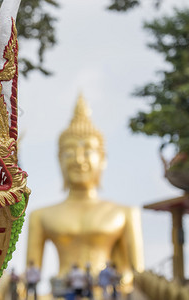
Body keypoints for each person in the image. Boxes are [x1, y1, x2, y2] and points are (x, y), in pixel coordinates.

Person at [27, 94, 144, 295]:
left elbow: (137, 274)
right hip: (61, 293)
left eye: (88, 151)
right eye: (70, 152)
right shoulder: (41, 216)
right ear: (59, 159)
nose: (79, 160)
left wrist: (124, 280)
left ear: (103, 158)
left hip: (110, 292)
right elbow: (30, 274)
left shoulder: (124, 213)